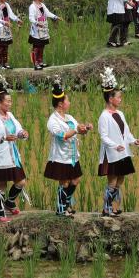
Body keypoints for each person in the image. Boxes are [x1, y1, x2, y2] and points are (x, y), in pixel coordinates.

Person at [44, 77, 92, 216]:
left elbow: (78, 129)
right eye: (67, 101)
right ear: (60, 104)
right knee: (64, 183)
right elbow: (62, 135)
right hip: (60, 157)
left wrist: (85, 128)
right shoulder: (52, 121)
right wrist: (77, 130)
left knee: (75, 180)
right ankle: (61, 209)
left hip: (72, 156)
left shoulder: (69, 117)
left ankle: (66, 204)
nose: (69, 103)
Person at [0, 78, 28, 222]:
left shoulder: (10, 116)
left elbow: (18, 129)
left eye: (10, 101)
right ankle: (0, 210)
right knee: (2, 184)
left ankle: (9, 202)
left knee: (21, 182)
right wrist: (3, 138)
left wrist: (22, 133)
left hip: (12, 154)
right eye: (7, 101)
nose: (10, 104)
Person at [96, 66, 139, 216]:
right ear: (110, 99)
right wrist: (115, 146)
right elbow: (104, 136)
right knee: (112, 181)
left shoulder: (120, 113)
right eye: (118, 97)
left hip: (123, 152)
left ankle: (113, 206)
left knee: (120, 180)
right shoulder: (104, 116)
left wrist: (133, 141)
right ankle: (106, 207)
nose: (120, 100)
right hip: (112, 153)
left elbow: (125, 132)